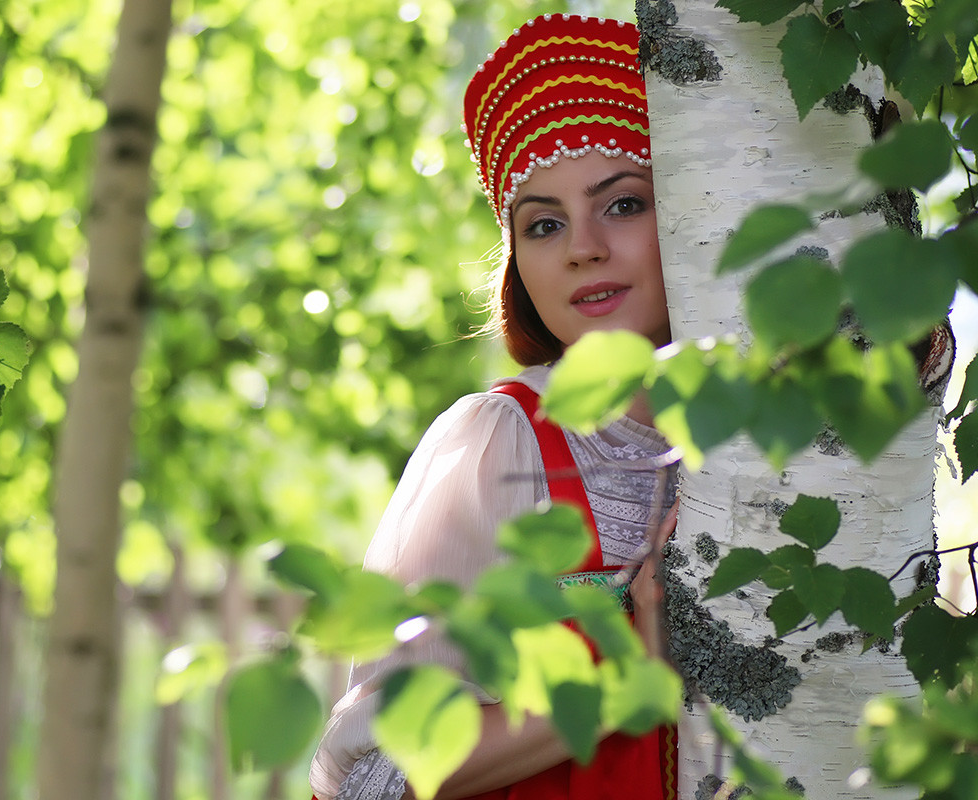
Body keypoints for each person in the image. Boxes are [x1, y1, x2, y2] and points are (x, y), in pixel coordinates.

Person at [310, 13, 679, 800]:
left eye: (621, 205)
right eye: (544, 224)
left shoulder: (787, 437)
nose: (582, 247)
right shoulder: (502, 440)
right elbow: (379, 773)